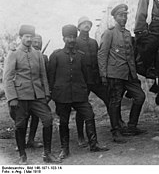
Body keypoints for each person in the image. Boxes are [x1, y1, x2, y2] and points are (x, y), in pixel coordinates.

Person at [48, 24, 109, 160]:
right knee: (64, 121)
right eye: (69, 37)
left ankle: (94, 144)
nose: (71, 40)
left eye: (74, 37)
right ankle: (65, 149)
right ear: (63, 38)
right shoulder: (56, 56)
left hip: (79, 94)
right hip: (62, 95)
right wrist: (53, 93)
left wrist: (84, 90)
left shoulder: (81, 56)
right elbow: (50, 76)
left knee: (89, 114)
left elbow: (86, 76)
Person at [3, 25, 60, 165]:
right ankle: (22, 156)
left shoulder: (38, 54)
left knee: (47, 120)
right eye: (26, 37)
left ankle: (47, 154)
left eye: (31, 36)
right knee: (20, 125)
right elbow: (7, 78)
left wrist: (46, 94)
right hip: (20, 96)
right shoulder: (14, 53)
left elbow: (43, 76)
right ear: (21, 37)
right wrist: (12, 98)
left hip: (37, 96)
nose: (29, 39)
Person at [98, 4, 147, 144]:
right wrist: (103, 74)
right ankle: (116, 131)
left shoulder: (127, 34)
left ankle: (131, 126)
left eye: (125, 15)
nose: (124, 18)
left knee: (140, 96)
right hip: (114, 74)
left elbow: (130, 57)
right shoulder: (109, 33)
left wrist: (134, 75)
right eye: (121, 15)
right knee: (115, 102)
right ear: (114, 17)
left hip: (129, 75)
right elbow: (102, 54)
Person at [74, 16, 111, 148]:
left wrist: (102, 75)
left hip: (95, 78)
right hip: (82, 80)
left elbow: (99, 58)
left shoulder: (93, 42)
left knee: (109, 99)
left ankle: (115, 128)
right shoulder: (75, 42)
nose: (87, 26)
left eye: (88, 24)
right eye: (83, 24)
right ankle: (80, 135)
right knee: (81, 108)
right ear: (79, 27)